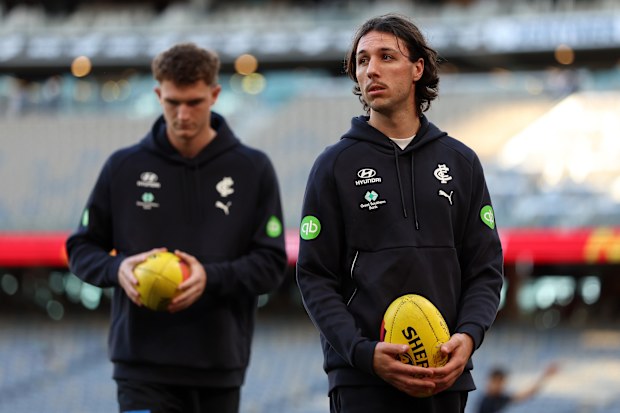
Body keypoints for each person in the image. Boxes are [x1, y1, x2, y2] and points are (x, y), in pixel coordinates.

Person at [295, 13, 504, 413]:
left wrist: (469, 336)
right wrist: (361, 351)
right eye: (362, 60)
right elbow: (314, 276)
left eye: (387, 56)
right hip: (362, 379)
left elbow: (485, 269)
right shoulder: (334, 165)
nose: (371, 69)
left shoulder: (461, 162)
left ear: (417, 69)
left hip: (445, 373)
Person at [65, 43, 287, 413]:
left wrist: (209, 277)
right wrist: (117, 268)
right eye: (172, 102)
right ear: (158, 95)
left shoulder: (253, 169)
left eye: (194, 102)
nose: (183, 114)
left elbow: (271, 265)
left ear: (214, 94)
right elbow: (81, 248)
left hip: (219, 368)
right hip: (140, 368)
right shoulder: (123, 167)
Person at [477, 363, 559, 413]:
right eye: (497, 382)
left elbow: (526, 394)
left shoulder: (501, 398)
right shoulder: (486, 401)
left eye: (502, 382)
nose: (500, 386)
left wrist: (545, 376)